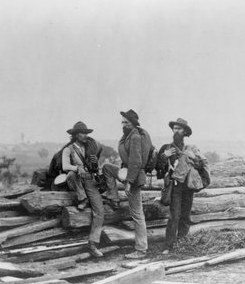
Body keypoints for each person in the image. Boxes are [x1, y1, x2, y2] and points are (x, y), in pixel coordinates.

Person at [102, 109, 151, 259]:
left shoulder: (135, 136)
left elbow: (136, 161)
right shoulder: (128, 135)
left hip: (134, 177)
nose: (123, 124)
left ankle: (141, 249)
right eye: (122, 122)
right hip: (127, 172)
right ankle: (113, 196)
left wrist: (129, 182)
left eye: (126, 122)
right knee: (107, 168)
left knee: (137, 214)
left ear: (133, 123)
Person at [156, 118, 210, 254]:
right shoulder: (166, 148)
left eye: (179, 129)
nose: (176, 131)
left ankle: (182, 243)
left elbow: (200, 167)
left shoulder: (191, 149)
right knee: (174, 216)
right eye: (174, 128)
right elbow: (157, 169)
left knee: (185, 216)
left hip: (188, 186)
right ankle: (168, 246)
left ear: (185, 132)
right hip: (174, 186)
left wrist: (193, 158)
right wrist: (164, 156)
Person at [62, 121, 105, 257]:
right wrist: (77, 168)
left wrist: (95, 165)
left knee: (99, 210)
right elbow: (65, 166)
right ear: (75, 135)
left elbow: (95, 168)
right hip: (77, 179)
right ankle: (82, 198)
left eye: (86, 133)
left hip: (89, 180)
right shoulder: (68, 149)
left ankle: (92, 243)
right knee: (71, 174)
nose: (85, 135)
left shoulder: (91, 148)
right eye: (82, 133)